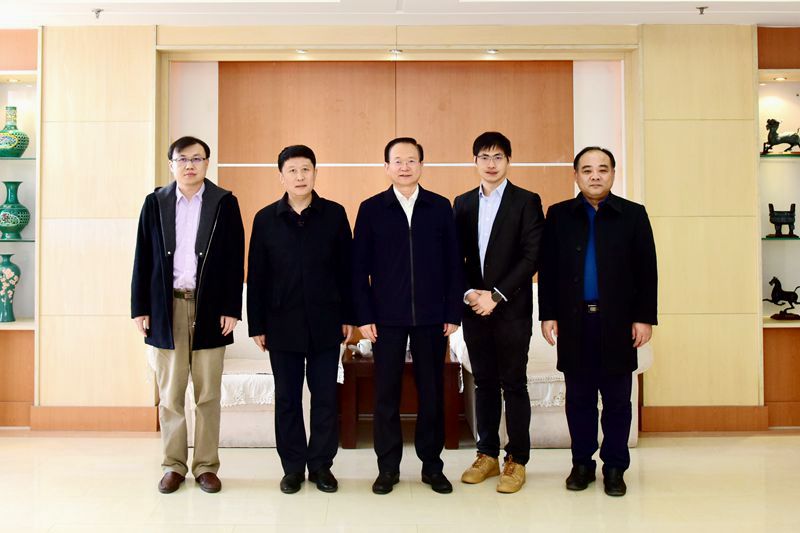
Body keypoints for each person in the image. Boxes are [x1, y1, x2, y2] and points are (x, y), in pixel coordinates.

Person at [539, 146, 657, 497]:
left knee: (618, 400)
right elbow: (548, 269)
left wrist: (644, 317)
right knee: (579, 398)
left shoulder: (633, 215)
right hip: (575, 322)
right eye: (587, 169)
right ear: (576, 175)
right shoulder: (559, 215)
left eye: (602, 169)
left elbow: (647, 270)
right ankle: (582, 464)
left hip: (618, 322)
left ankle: (615, 466)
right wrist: (548, 314)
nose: (595, 175)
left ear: (613, 174)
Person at [131, 135, 245, 494]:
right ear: (171, 165)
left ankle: (207, 466)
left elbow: (234, 258)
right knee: (170, 393)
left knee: (208, 394)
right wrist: (140, 308)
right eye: (182, 159)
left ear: (207, 163)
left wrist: (232, 308)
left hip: (210, 308)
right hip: (167, 308)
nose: (190, 165)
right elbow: (142, 256)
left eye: (197, 158)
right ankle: (173, 466)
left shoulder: (224, 203)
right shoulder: (155, 203)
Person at [352, 137, 463, 495]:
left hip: (432, 317)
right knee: (386, 394)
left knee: (432, 393)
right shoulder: (371, 209)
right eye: (397, 161)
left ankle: (432, 467)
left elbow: (454, 264)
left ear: (421, 165)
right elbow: (358, 269)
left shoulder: (439, 207)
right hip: (386, 318)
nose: (404, 167)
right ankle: (388, 468)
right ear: (386, 167)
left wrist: (453, 311)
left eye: (411, 160)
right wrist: (364, 315)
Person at [247, 145, 353, 494]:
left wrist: (348, 315)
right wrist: (257, 324)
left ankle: (321, 466)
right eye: (292, 170)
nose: (299, 176)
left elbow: (347, 270)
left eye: (306, 169)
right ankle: (292, 468)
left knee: (325, 398)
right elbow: (256, 275)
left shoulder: (334, 214)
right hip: (281, 323)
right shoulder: (265, 218)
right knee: (287, 399)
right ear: (281, 176)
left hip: (326, 320)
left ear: (315, 173)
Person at [453, 131, 544, 493]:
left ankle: (516, 460)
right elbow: (453, 256)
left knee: (514, 384)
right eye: (484, 157)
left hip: (512, 309)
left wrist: (497, 295)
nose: (491, 164)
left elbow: (532, 255)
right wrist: (469, 294)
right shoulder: (462, 203)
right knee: (484, 383)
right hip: (474, 309)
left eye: (498, 157)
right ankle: (487, 454)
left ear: (508, 161)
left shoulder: (526, 201)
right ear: (474, 161)